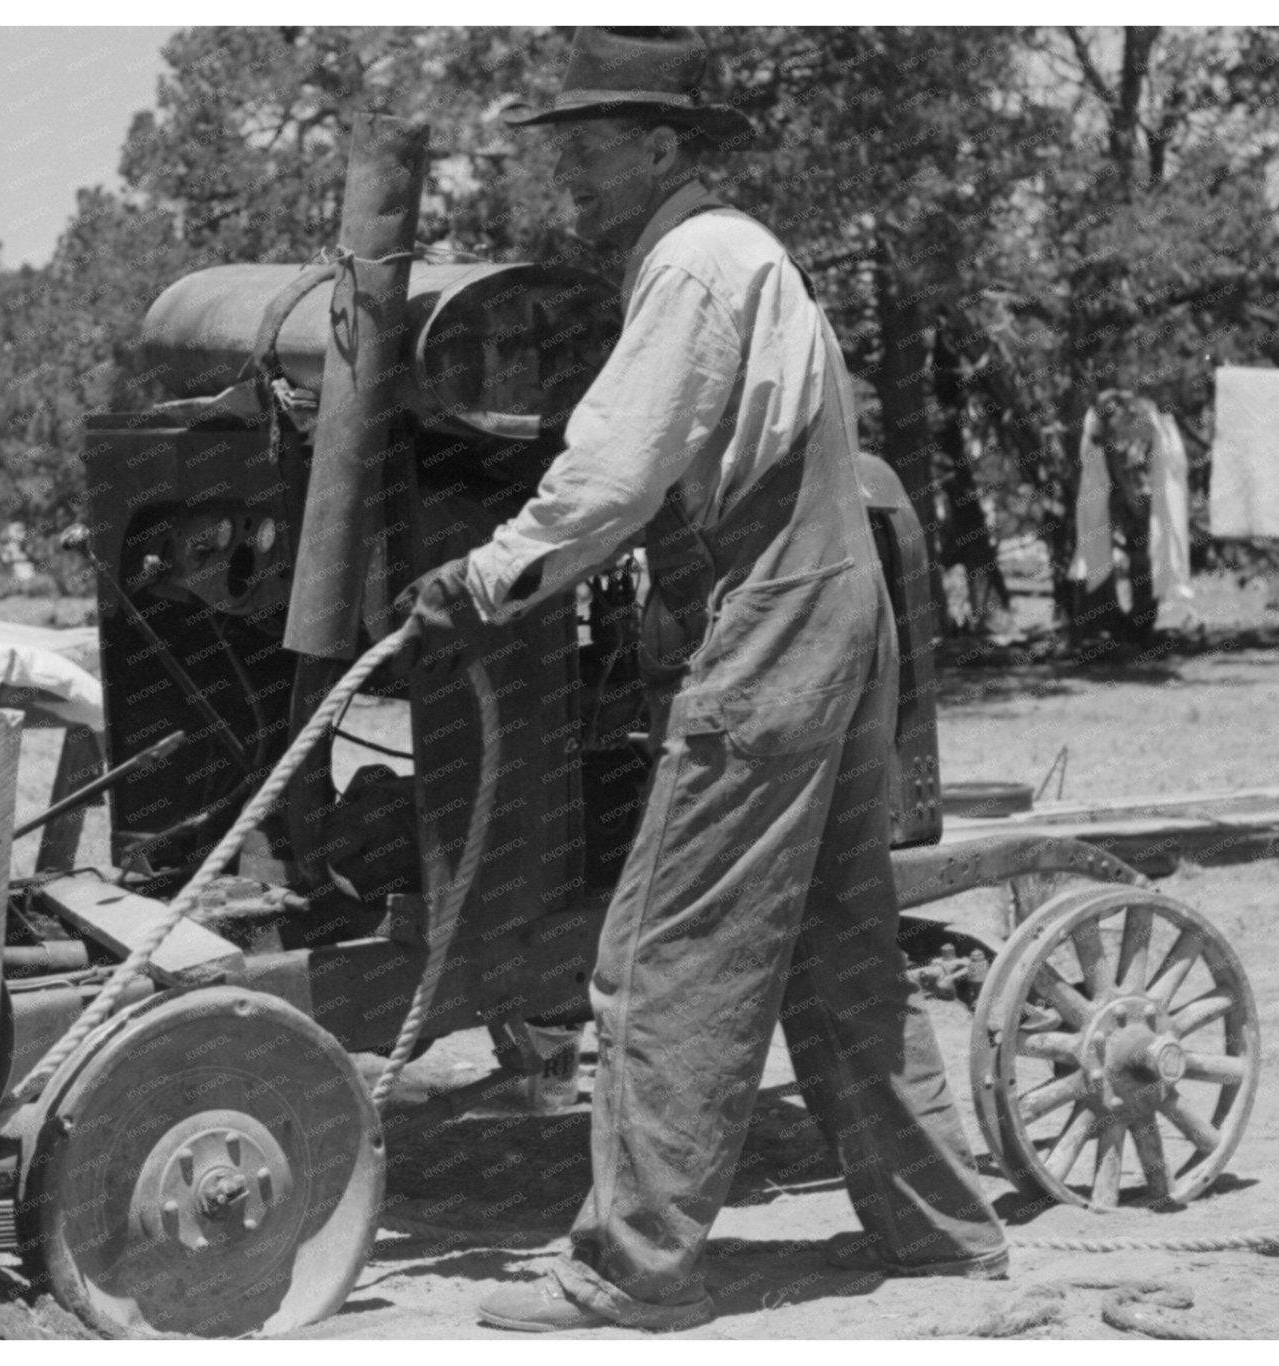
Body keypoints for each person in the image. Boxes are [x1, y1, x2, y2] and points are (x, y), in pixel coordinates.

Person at [396, 28, 1009, 1333]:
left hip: (775, 618)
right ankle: (943, 1230)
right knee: (839, 945)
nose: (569, 174)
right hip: (835, 608)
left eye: (592, 147)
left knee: (659, 949)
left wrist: (487, 577)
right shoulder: (736, 253)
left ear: (663, 145)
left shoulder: (690, 264)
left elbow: (614, 473)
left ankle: (634, 1268)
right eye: (564, 149)